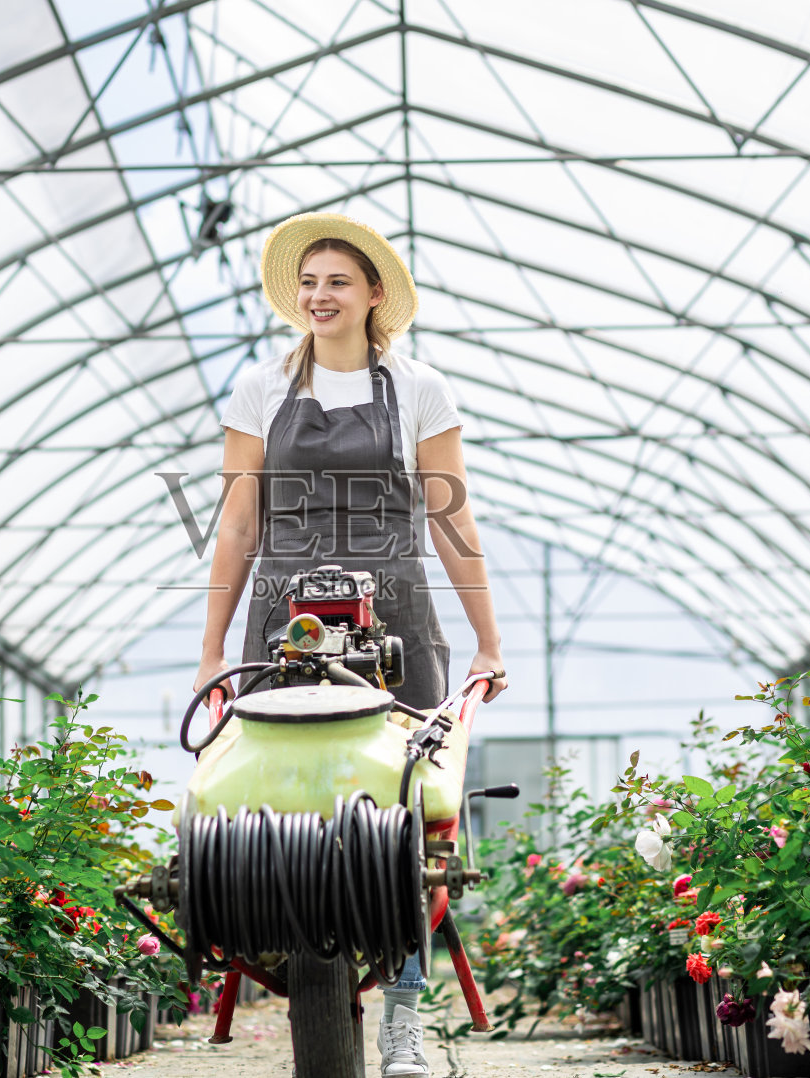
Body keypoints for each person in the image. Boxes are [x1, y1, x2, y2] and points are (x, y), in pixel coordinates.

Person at [192, 212, 509, 1077]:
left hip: (394, 609)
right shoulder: (261, 389)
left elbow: (450, 517)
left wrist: (487, 640)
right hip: (284, 615)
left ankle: (404, 1015)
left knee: (408, 813)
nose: (319, 296)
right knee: (279, 792)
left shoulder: (419, 388)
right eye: (308, 283)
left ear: (374, 295)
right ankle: (299, 952)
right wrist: (212, 652)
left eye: (337, 282)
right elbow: (238, 522)